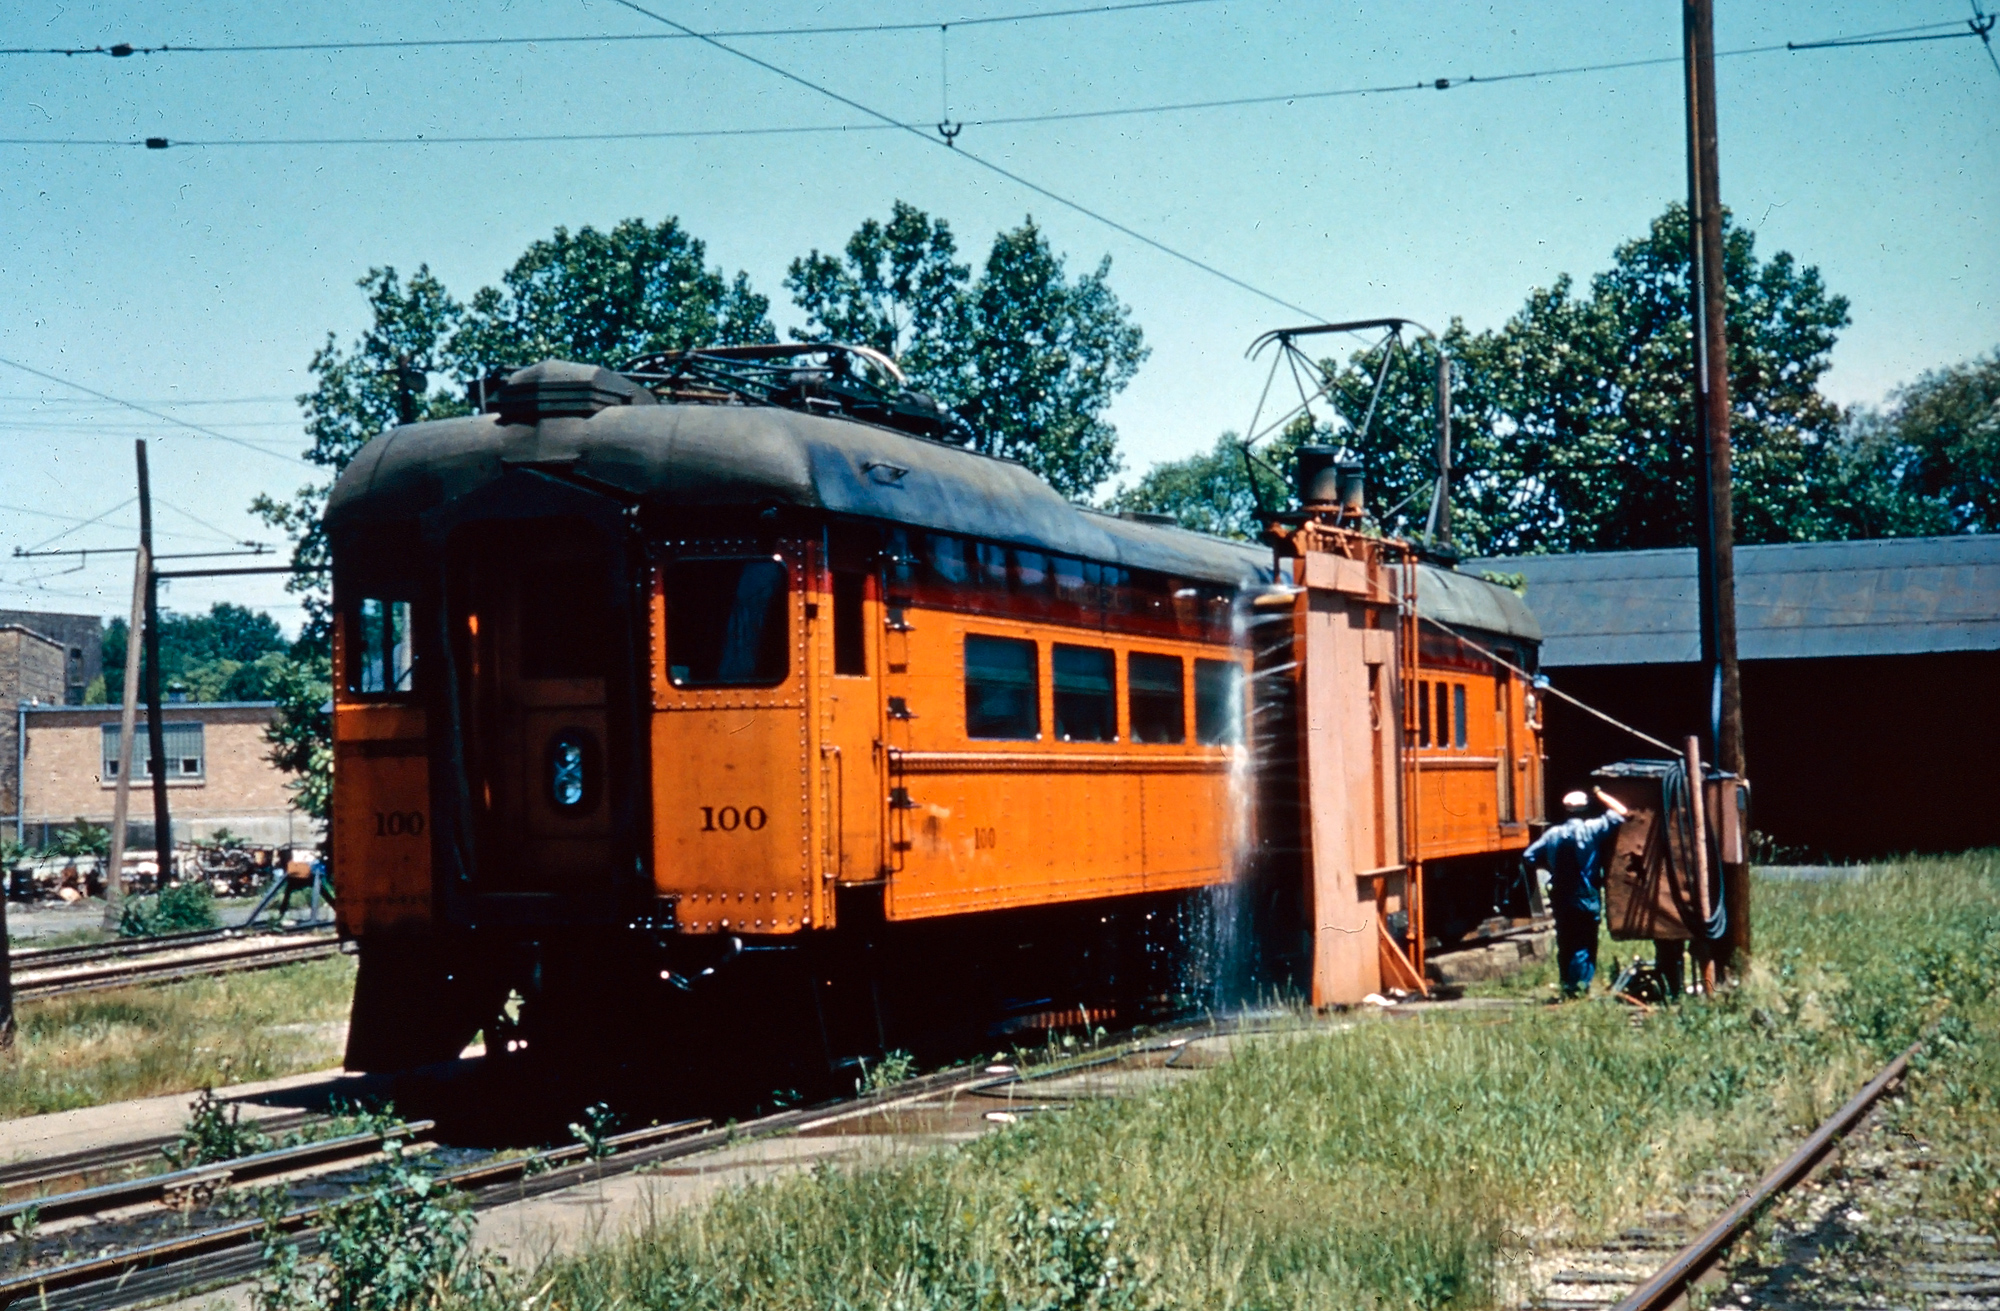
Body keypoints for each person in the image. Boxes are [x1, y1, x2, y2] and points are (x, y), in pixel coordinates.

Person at [1523, 786, 1629, 999]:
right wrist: (1600, 793)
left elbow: (1528, 856)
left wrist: (1548, 867)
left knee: (1566, 941)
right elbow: (1622, 812)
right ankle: (1580, 988)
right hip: (1586, 895)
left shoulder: (1553, 834)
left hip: (1561, 895)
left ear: (1565, 810)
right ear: (1586, 809)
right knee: (1585, 941)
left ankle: (1568, 986)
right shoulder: (1592, 829)